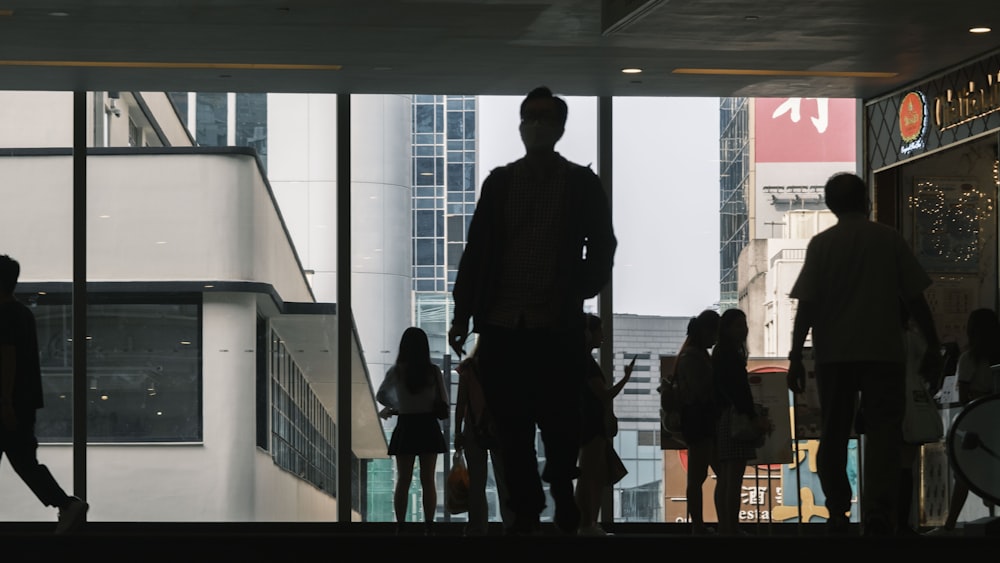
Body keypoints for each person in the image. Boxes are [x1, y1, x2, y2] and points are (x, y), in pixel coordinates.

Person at [447, 86, 617, 536]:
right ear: (521, 124)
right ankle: (529, 504)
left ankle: (557, 488)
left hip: (553, 321)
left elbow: (603, 246)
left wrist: (578, 288)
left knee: (559, 419)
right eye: (530, 117)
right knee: (512, 424)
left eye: (545, 118)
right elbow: (477, 251)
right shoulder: (501, 183)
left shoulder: (580, 184)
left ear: (560, 128)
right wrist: (463, 312)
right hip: (505, 322)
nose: (536, 125)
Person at [787, 172, 941, 537]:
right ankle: (877, 512)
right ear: (867, 202)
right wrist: (933, 343)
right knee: (884, 432)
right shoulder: (888, 240)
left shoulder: (822, 245)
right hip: (883, 351)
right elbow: (915, 297)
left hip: (833, 354)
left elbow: (807, 306)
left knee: (834, 431)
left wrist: (795, 355)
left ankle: (838, 509)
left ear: (831, 206)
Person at [0, 254, 89, 534]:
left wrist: (5, 404)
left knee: (25, 462)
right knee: (26, 462)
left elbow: (6, 360)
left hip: (7, 405)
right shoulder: (22, 313)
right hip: (21, 403)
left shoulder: (5, 315)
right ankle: (65, 504)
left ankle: (65, 503)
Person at [928, 307, 1000, 535]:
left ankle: (950, 523)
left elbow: (963, 395)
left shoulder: (969, 358)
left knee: (965, 473)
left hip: (977, 423)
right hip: (996, 419)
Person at [376, 327, 449, 535]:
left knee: (403, 479)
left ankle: (400, 525)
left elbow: (381, 395)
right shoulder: (433, 371)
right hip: (428, 426)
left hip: (406, 425)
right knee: (428, 479)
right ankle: (428, 525)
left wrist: (397, 405)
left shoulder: (397, 371)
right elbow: (443, 401)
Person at [712, 308, 771, 536]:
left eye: (744, 323)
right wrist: (753, 415)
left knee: (725, 476)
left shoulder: (720, 352)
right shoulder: (731, 354)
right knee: (734, 477)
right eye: (738, 325)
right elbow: (741, 390)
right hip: (737, 416)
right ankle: (731, 527)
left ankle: (724, 525)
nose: (744, 328)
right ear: (727, 329)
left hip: (724, 417)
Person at [575, 313, 632, 536]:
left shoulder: (581, 360)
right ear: (588, 333)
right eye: (599, 331)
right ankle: (588, 524)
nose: (602, 337)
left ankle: (586, 524)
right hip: (591, 425)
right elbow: (604, 395)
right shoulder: (586, 363)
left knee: (590, 474)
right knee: (591, 475)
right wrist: (626, 379)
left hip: (587, 423)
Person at [454, 347, 513, 535]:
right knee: (505, 480)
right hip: (500, 429)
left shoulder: (468, 368)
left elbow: (461, 402)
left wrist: (457, 432)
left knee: (477, 483)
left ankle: (478, 527)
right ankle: (510, 525)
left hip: (473, 429)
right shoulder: (505, 366)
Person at [674, 309, 721, 535]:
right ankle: (699, 526)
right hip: (699, 420)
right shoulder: (694, 357)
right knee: (698, 476)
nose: (716, 338)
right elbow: (700, 392)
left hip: (697, 420)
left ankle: (699, 525)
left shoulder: (690, 354)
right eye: (714, 333)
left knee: (699, 475)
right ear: (705, 331)